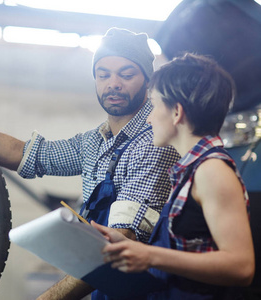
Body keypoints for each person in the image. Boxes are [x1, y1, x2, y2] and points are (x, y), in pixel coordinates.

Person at [0, 27, 180, 299]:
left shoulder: (154, 141)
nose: (113, 83)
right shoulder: (96, 141)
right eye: (103, 74)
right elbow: (26, 154)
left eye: (127, 74)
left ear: (148, 80)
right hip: (106, 284)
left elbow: (121, 241)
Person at [92, 53, 255, 299]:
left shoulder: (211, 171)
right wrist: (130, 247)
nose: (149, 117)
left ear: (176, 112)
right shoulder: (191, 170)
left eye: (155, 105)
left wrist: (150, 256)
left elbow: (241, 267)